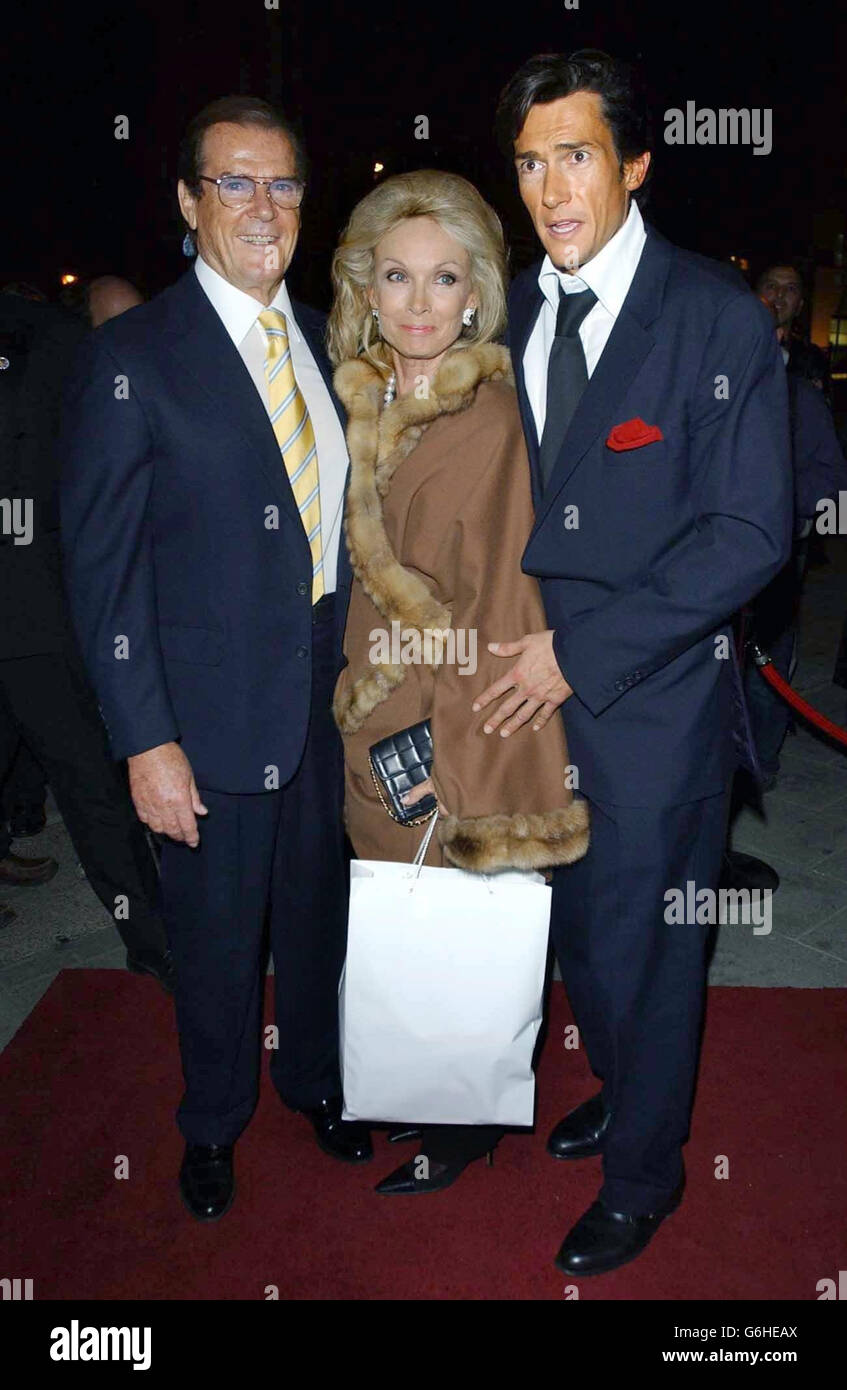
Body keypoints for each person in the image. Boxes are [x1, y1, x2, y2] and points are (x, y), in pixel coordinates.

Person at [475, 50, 792, 1274]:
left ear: (636, 163)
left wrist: (582, 651)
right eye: (530, 161)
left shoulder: (710, 315)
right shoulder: (503, 310)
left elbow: (751, 534)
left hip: (654, 709)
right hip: (519, 701)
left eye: (577, 155)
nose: (552, 188)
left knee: (648, 948)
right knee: (572, 938)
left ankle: (646, 1175)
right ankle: (621, 1084)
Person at [61, 95, 372, 1223]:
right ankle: (210, 1123)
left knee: (317, 921)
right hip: (203, 724)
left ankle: (315, 1083)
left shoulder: (339, 342)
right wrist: (146, 738)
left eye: (282, 183)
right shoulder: (134, 358)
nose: (261, 206)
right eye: (232, 182)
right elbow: (102, 574)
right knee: (217, 947)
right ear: (187, 202)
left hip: (328, 715)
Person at [328, 169, 589, 1195]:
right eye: (397, 276)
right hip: (367, 707)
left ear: (478, 292)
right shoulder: (368, 392)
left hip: (439, 724)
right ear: (367, 286)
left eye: (444, 279)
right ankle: (420, 1089)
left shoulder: (489, 421)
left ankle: (467, 1122)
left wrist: (460, 752)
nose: (420, 301)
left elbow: (501, 611)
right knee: (403, 925)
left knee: (460, 926)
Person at [0, 289, 170, 980]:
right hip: (32, 613)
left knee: (80, 780)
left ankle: (154, 937)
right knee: (90, 787)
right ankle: (158, 943)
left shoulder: (51, 340)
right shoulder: (57, 342)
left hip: (33, 606)